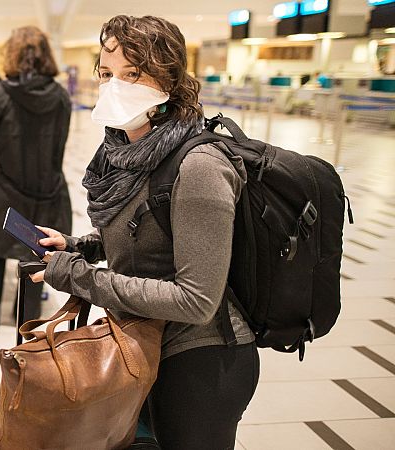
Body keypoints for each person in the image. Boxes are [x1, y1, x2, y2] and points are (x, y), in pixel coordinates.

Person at [29, 15, 259, 449]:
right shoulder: (125, 152)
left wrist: (79, 277)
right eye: (106, 74)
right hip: (144, 343)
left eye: (133, 74)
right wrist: (78, 246)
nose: (115, 86)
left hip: (199, 363)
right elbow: (149, 236)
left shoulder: (199, 166)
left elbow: (196, 300)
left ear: (168, 80)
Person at [0, 26, 72, 331]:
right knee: (37, 252)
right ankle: (27, 320)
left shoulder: (0, 93)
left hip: (3, 186)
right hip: (47, 188)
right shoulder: (61, 96)